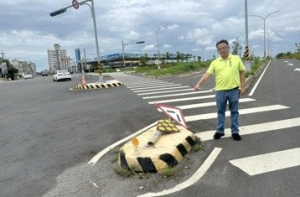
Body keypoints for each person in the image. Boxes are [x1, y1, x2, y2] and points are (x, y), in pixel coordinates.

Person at [193, 39, 245, 141]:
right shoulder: (215, 62)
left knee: (234, 112)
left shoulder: (236, 58)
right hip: (220, 91)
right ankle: (220, 131)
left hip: (234, 90)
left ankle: (235, 132)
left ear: (228, 48)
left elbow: (242, 73)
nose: (222, 50)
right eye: (220, 49)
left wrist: (242, 87)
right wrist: (198, 84)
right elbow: (207, 74)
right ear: (218, 51)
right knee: (220, 112)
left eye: (224, 48)